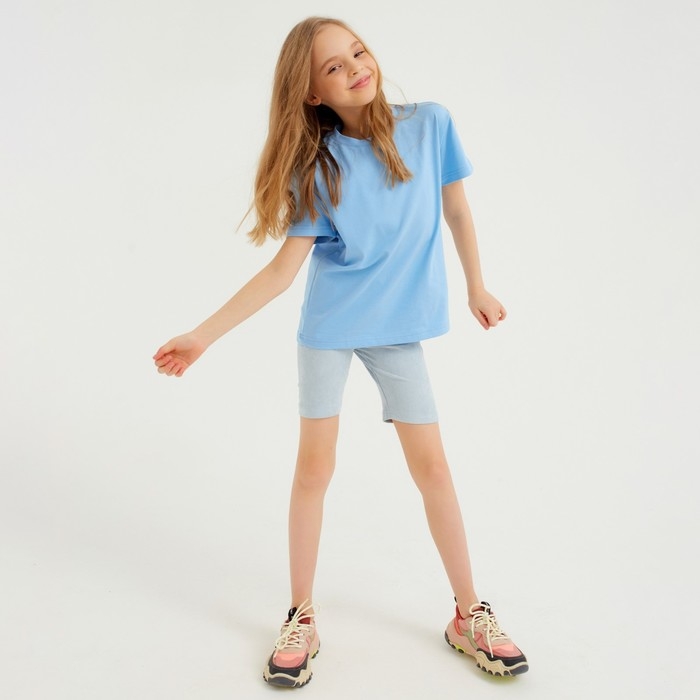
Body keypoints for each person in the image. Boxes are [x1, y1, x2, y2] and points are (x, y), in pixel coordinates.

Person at [153, 16, 528, 688]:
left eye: (357, 52)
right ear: (312, 93)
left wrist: (477, 284)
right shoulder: (316, 166)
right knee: (314, 470)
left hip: (398, 330)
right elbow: (281, 273)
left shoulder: (431, 125)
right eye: (333, 66)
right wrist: (203, 334)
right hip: (330, 327)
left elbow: (458, 211)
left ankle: (468, 612)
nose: (355, 67)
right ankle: (301, 615)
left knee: (434, 469)